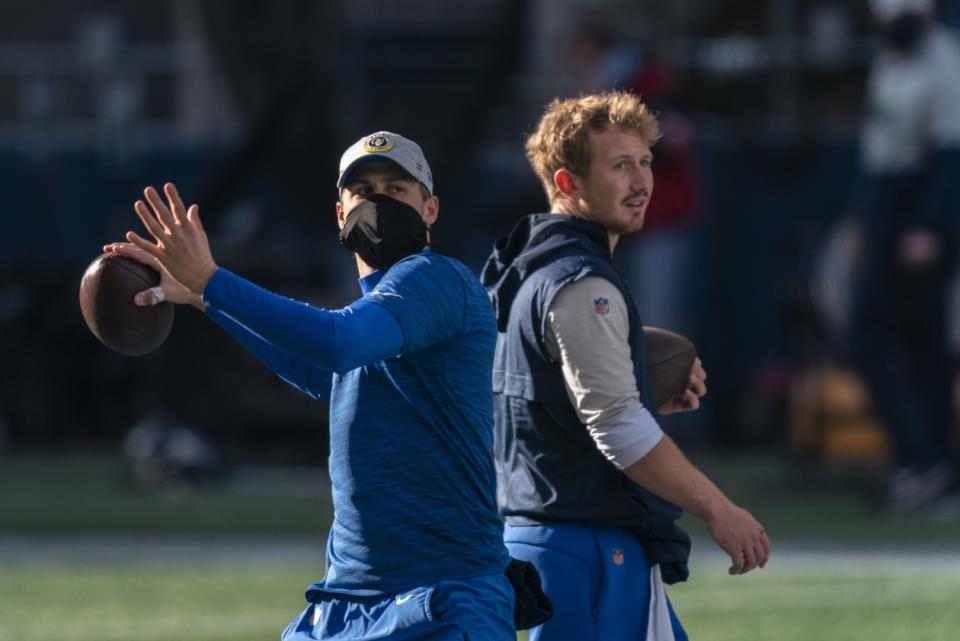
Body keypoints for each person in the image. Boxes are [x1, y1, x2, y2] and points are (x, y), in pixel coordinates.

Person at [104, 131, 543, 641]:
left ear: (431, 209)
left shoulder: (437, 278)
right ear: (340, 214)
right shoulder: (377, 312)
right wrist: (205, 300)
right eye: (363, 191)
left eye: (396, 189)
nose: (378, 201)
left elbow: (339, 343)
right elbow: (323, 370)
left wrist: (211, 281)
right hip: (349, 595)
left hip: (442, 595)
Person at [482, 92, 770, 641]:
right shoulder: (581, 281)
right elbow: (617, 426)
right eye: (620, 166)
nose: (641, 182)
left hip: (543, 541)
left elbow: (538, 400)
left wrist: (643, 389)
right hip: (587, 553)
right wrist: (719, 509)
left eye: (645, 163)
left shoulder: (520, 267)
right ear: (568, 183)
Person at [847, 0, 960, 512]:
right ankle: (923, 461)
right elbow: (879, 143)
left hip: (918, 209)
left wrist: (930, 225)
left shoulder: (945, 61)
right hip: (886, 205)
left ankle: (927, 462)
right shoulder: (889, 58)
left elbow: (950, 154)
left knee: (919, 342)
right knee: (881, 337)